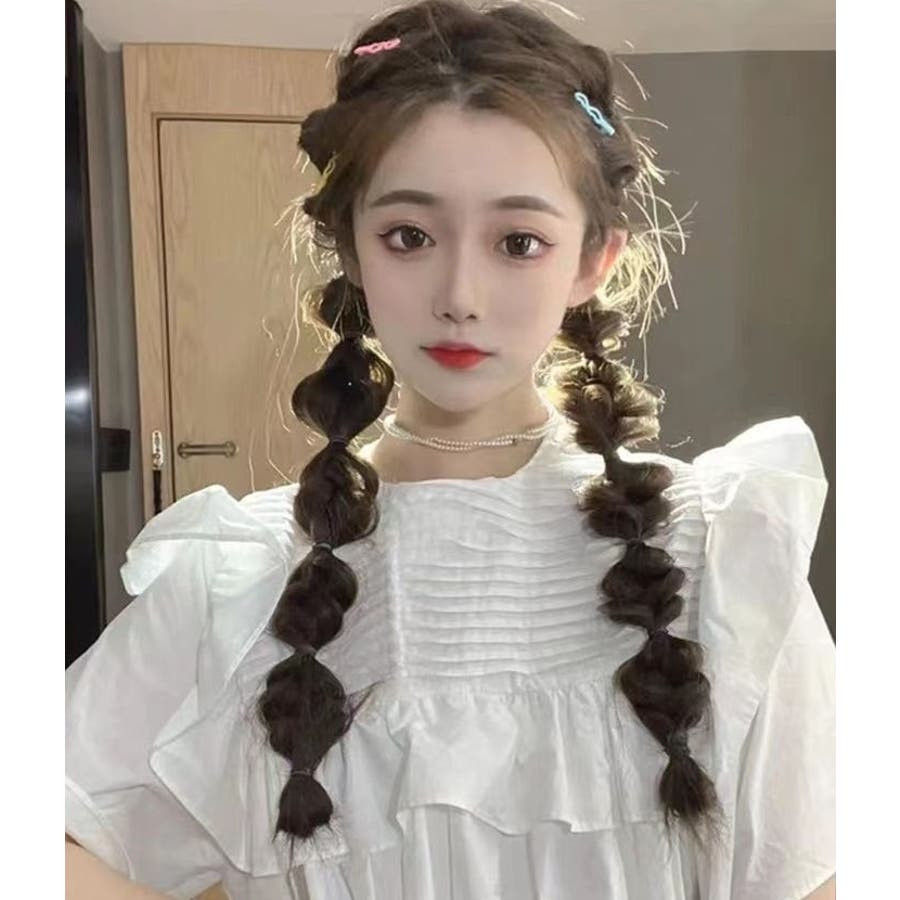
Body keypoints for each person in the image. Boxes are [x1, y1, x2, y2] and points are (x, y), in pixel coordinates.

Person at [65, 1, 836, 898]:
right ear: (350, 248)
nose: (460, 294)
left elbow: (819, 868)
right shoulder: (241, 575)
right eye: (410, 236)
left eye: (518, 242)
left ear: (592, 260)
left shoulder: (720, 548)